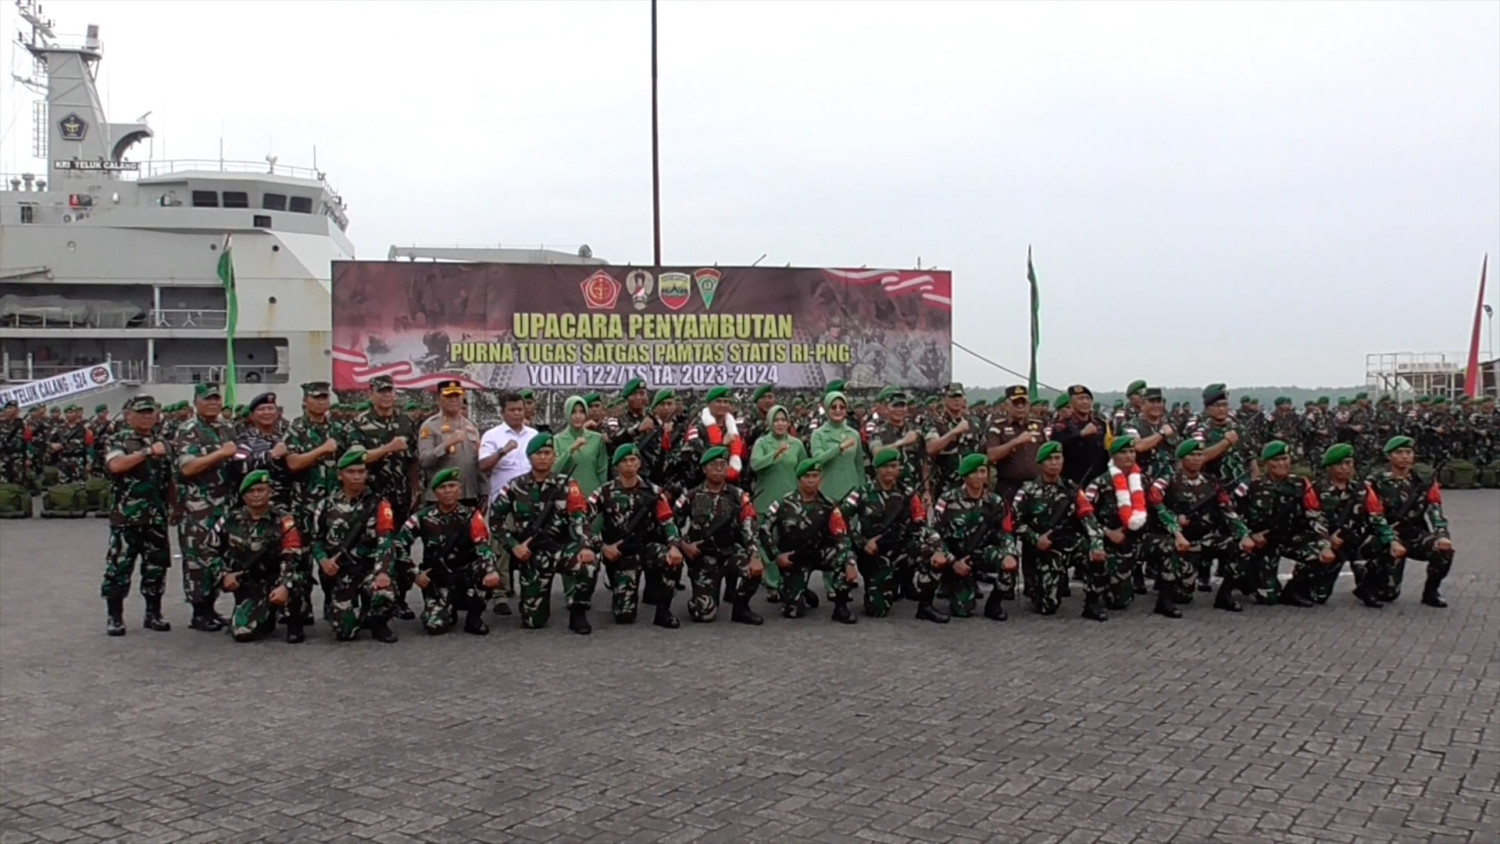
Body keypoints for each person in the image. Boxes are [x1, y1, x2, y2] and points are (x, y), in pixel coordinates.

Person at [489, 434, 595, 634]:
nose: (543, 457)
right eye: (538, 453)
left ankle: (578, 612)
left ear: (554, 457)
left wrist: (585, 545)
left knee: (588, 563)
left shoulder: (567, 485)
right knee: (533, 621)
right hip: (531, 555)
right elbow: (495, 520)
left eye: (548, 453)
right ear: (529, 457)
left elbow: (579, 517)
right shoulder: (515, 486)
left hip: (560, 548)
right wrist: (513, 545)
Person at [841, 449, 949, 622]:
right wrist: (862, 542)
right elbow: (840, 520)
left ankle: (926, 606)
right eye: (885, 467)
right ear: (877, 469)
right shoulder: (862, 492)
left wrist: (937, 548)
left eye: (894, 466)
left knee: (932, 553)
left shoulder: (908, 493)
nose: (890, 470)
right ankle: (887, 583)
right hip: (875, 554)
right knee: (878, 610)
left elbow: (920, 522)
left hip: (902, 549)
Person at [583, 444, 684, 628]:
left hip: (647, 548)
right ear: (617, 465)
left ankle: (663, 611)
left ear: (639, 463)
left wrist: (674, 546)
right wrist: (602, 546)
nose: (629, 464)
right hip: (622, 555)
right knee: (624, 616)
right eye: (624, 461)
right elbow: (582, 521)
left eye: (633, 460)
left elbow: (668, 521)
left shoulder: (654, 492)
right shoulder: (604, 492)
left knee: (672, 559)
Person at [394, 468, 503, 636]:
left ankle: (474, 617)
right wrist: (415, 574)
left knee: (485, 570)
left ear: (459, 489)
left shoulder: (472, 516)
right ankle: (448, 608)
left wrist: (491, 570)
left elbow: (482, 545)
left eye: (452, 486)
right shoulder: (421, 517)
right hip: (439, 577)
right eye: (443, 487)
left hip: (465, 573)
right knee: (434, 626)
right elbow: (398, 544)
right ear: (435, 492)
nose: (448, 491)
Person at [99, 396, 174, 636]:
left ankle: (153, 613)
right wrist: (147, 452)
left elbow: (169, 478)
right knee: (119, 567)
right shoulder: (118, 439)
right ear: (129, 416)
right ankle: (115, 616)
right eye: (141, 413)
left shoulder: (162, 440)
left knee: (156, 567)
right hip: (127, 516)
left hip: (156, 516)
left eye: (150, 412)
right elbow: (116, 465)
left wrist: (175, 507)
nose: (146, 417)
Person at [1150, 439, 1253, 613]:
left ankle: (1225, 596)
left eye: (1200, 455)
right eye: (1192, 455)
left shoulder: (1212, 482)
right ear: (1182, 458)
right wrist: (1176, 524)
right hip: (1176, 539)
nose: (1197, 459)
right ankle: (1164, 600)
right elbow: (1157, 507)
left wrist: (1244, 534)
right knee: (1184, 595)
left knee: (1241, 547)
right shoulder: (1167, 481)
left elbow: (1227, 509)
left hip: (1203, 538)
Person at [309, 447, 399, 642]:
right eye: (351, 472)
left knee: (384, 592)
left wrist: (383, 572)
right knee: (344, 633)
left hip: (369, 570)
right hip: (342, 573)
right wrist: (323, 561)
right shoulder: (325, 505)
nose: (357, 477)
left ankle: (378, 623)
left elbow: (385, 541)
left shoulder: (379, 504)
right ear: (340, 475)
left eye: (361, 472)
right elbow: (316, 540)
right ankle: (344, 609)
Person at [1011, 442, 1108, 619]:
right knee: (1048, 606)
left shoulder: (1072, 489)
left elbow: (1089, 518)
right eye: (1049, 459)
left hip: (1068, 541)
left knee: (1094, 555)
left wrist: (1097, 544)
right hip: (1043, 549)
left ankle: (1092, 602)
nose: (1054, 463)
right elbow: (1014, 522)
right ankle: (1040, 589)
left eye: (1058, 458)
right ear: (1041, 463)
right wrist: (1034, 538)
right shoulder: (1027, 491)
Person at [174, 383, 240, 632]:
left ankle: (211, 607)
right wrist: (221, 454)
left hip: (225, 504)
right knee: (197, 559)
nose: (213, 403)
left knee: (219, 557)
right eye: (207, 399)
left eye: (216, 398)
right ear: (196, 402)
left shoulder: (227, 428)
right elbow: (187, 467)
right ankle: (199, 612)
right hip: (198, 507)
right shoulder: (188, 430)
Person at [757, 460, 858, 623]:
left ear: (821, 479)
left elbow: (841, 535)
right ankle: (799, 589)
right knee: (792, 612)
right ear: (798, 480)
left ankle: (841, 607)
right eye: (807, 476)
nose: (811, 480)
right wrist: (777, 555)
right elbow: (764, 529)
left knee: (842, 557)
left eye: (815, 476)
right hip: (793, 558)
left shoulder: (829, 505)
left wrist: (850, 563)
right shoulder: (783, 503)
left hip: (820, 553)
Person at [1236, 441, 1334, 606]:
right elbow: (1235, 515)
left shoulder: (1301, 484)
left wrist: (1325, 545)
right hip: (1263, 544)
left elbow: (1315, 516)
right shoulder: (1251, 486)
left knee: (1320, 555)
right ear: (1267, 463)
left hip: (1291, 538)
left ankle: (1293, 590)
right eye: (1276, 460)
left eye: (1285, 458)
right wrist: (1250, 535)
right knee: (1268, 599)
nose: (1282, 463)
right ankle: (1250, 579)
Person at [674, 446, 764, 625]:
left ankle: (741, 608)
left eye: (723, 464)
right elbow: (671, 525)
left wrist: (755, 556)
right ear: (704, 469)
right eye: (713, 465)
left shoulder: (738, 495)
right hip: (704, 557)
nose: (718, 469)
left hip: (730, 551)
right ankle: (699, 599)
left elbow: (748, 527)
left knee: (753, 570)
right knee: (704, 615)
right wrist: (684, 545)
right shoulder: (691, 496)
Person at [210, 471, 303, 643]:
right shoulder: (230, 519)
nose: (256, 495)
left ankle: (294, 621)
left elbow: (292, 556)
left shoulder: (285, 520)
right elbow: (209, 550)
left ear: (270, 493)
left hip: (277, 577)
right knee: (242, 632)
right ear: (243, 495)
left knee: (297, 578)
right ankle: (265, 615)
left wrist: (284, 585)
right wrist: (224, 574)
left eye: (261, 490)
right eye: (251, 491)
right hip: (250, 582)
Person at [1365, 435, 1455, 607]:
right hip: (1383, 535)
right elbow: (1374, 515)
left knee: (1444, 550)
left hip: (1413, 533)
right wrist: (1391, 540)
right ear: (1389, 456)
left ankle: (1431, 592)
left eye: (1408, 452)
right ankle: (1366, 575)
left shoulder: (1423, 480)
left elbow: (1435, 510)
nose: (1405, 456)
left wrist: (1442, 535)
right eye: (1399, 452)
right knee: (1388, 595)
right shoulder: (1375, 481)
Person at [285, 381, 348, 623]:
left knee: (333, 556)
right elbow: (293, 463)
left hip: (332, 506)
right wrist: (322, 449)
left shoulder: (337, 428)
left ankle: (334, 605)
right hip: (305, 505)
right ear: (305, 401)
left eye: (325, 397)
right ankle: (301, 610)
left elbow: (350, 462)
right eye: (316, 397)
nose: (322, 402)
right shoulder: (296, 429)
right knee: (301, 560)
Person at [933, 454, 1019, 620]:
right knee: (963, 611)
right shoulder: (948, 499)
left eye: (983, 471)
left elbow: (1005, 531)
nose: (979, 476)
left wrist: (1009, 553)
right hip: (955, 557)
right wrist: (953, 562)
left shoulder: (995, 501)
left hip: (981, 553)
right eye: (974, 472)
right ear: (965, 475)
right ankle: (950, 585)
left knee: (1009, 562)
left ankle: (994, 604)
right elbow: (934, 534)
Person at [1308, 443, 1393, 608]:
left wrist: (1391, 539)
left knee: (1380, 545)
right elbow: (1312, 519)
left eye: (1348, 463)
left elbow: (1376, 516)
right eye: (1340, 464)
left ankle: (1365, 586)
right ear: (1329, 467)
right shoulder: (1316, 489)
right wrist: (1326, 540)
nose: (1345, 468)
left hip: (1355, 540)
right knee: (1319, 596)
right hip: (1329, 542)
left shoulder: (1362, 489)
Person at [477, 391, 535, 614]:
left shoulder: (533, 435)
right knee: (501, 549)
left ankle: (531, 590)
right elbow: (483, 466)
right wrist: (502, 451)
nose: (517, 413)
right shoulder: (493, 436)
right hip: (503, 503)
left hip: (530, 502)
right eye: (512, 410)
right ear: (502, 412)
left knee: (528, 546)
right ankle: (500, 595)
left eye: (520, 409)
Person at [749, 405, 807, 603]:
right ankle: (772, 583)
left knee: (790, 542)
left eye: (784, 420)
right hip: (766, 500)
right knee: (767, 544)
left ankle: (790, 583)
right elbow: (755, 465)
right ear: (769, 422)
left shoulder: (797, 444)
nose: (781, 423)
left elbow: (804, 470)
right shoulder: (762, 443)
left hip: (790, 501)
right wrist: (774, 455)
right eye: (776, 420)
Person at [417, 379, 483, 505]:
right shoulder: (430, 426)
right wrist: (446, 445)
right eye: (448, 396)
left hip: (470, 494)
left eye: (457, 396)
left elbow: (477, 462)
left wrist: (484, 491)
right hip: (441, 497)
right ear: (438, 399)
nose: (454, 400)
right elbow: (425, 461)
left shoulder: (471, 426)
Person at [553, 395, 608, 497]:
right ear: (567, 414)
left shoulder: (597, 439)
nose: (578, 416)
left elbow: (602, 471)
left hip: (592, 496)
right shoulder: (557, 440)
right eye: (573, 412)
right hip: (567, 496)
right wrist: (571, 449)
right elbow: (554, 470)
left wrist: (601, 495)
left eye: (582, 412)